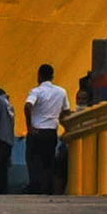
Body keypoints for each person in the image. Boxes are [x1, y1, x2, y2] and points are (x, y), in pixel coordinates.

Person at [22, 62, 71, 195]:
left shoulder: (36, 91)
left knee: (33, 159)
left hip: (36, 131)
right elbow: (66, 112)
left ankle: (34, 186)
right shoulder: (62, 92)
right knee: (48, 160)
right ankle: (46, 187)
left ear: (40, 76)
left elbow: (28, 106)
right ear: (52, 76)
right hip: (51, 131)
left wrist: (29, 126)